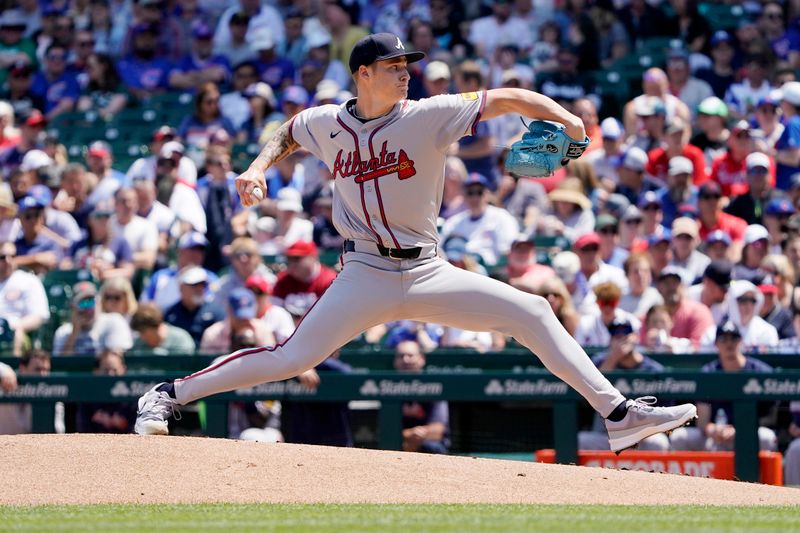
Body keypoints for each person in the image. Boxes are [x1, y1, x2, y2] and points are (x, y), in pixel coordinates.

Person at [135, 32, 697, 452]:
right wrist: (257, 167)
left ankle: (617, 413)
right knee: (292, 357)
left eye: (407, 64)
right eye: (391, 65)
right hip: (363, 274)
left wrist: (570, 119)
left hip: (429, 270)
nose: (405, 72)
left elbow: (506, 97)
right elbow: (290, 131)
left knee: (531, 311)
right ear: (361, 74)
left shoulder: (432, 114)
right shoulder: (327, 121)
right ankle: (169, 394)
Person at [670, 321, 778, 453]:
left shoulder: (759, 371)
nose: (729, 343)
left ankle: (762, 474)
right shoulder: (708, 373)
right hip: (716, 433)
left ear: (741, 341)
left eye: (734, 338)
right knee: (680, 437)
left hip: (749, 431)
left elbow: (770, 415)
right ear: (716, 343)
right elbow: (702, 421)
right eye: (723, 339)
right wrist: (713, 430)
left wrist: (741, 429)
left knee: (767, 437)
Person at [579, 318, 669, 451]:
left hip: (644, 435)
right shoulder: (600, 362)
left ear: (636, 337)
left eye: (626, 333)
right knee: (580, 441)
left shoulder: (653, 369)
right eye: (616, 335)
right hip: (606, 435)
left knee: (659, 443)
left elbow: (665, 410)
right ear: (610, 340)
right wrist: (614, 357)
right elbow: (589, 387)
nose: (621, 339)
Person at [393, 339, 449, 454]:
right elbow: (380, 431)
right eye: (401, 356)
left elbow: (438, 430)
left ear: (421, 359)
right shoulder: (387, 386)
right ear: (395, 361)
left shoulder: (433, 386)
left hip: (429, 447)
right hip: (394, 447)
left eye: (410, 355)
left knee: (430, 446)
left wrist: (412, 435)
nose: (405, 360)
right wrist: (409, 434)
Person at [53, 281, 133, 357]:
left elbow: (115, 360)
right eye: (83, 304)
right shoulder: (63, 332)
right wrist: (74, 333)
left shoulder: (114, 321)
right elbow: (61, 366)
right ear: (73, 307)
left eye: (91, 302)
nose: (88, 309)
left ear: (99, 303)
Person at [0, 241, 49, 356]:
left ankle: (15, 368)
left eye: (12, 256)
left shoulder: (28, 280)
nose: (7, 261)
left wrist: (20, 327)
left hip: (16, 333)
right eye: (2, 257)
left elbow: (39, 315)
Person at [75, 351, 136, 433]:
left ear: (123, 370)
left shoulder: (133, 398)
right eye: (106, 370)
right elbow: (83, 431)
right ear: (96, 371)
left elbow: (135, 433)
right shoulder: (88, 398)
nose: (110, 374)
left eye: (115, 370)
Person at [164, 266, 226, 346]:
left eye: (203, 284)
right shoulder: (169, 313)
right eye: (194, 285)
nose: (199, 288)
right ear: (181, 287)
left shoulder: (217, 312)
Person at [130, 303, 195, 356]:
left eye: (143, 331)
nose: (142, 336)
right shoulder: (138, 344)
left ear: (156, 326)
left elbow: (186, 365)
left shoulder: (180, 339)